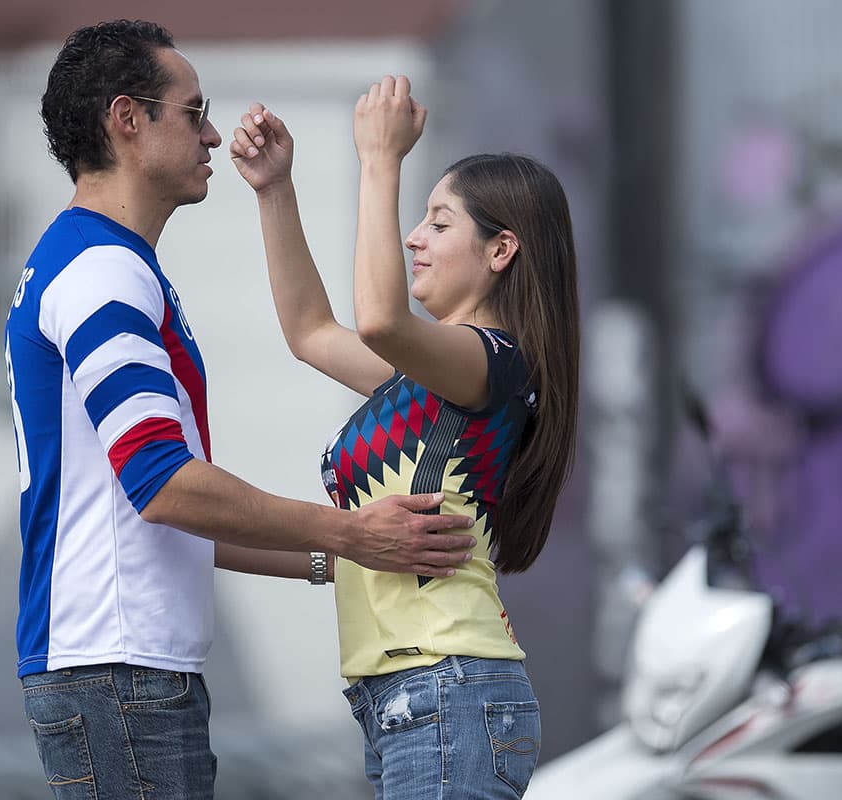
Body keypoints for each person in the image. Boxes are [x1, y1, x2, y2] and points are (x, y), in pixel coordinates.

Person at [5, 24, 480, 800]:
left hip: (119, 669)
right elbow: (164, 486)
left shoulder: (96, 263)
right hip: (118, 670)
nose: (213, 134)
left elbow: (161, 512)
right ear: (127, 120)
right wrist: (353, 531)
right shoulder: (101, 272)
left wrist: (348, 556)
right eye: (193, 113)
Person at [229, 75, 580, 799]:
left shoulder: (494, 361)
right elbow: (311, 332)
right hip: (408, 698)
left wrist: (380, 160)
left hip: (446, 687)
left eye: (439, 222)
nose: (415, 238)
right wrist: (274, 190)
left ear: (501, 249)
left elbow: (381, 319)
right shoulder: (421, 383)